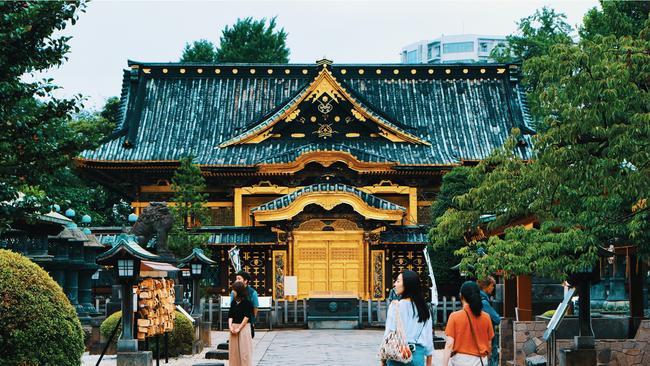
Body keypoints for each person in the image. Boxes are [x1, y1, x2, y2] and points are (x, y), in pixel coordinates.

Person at [382, 270, 433, 366]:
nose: (394, 284)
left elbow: (388, 334)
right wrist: (429, 361)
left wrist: (383, 360)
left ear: (407, 285)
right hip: (417, 356)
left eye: (398, 281)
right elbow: (428, 338)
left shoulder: (395, 306)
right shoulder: (424, 309)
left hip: (397, 354)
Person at [442, 281, 494, 366]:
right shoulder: (486, 317)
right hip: (481, 361)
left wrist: (444, 364)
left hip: (461, 361)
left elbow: (449, 344)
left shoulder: (454, 317)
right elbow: (489, 344)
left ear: (461, 296)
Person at [228, 281, 253, 366]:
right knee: (233, 352)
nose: (232, 292)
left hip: (244, 327)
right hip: (234, 327)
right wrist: (230, 327)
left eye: (234, 290)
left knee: (244, 351)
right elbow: (230, 315)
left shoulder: (247, 303)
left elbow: (246, 317)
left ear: (239, 291)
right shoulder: (233, 303)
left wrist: (239, 328)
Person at [477, 277, 501, 366]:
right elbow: (496, 318)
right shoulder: (484, 302)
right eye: (492, 286)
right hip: (488, 335)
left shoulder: (478, 298)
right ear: (485, 286)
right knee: (491, 357)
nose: (493, 288)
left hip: (481, 333)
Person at [230, 270, 259, 338]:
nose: (236, 281)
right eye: (236, 278)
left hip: (247, 321)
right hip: (235, 321)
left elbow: (255, 308)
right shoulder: (233, 292)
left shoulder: (253, 292)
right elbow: (232, 307)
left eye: (239, 279)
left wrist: (252, 320)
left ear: (245, 281)